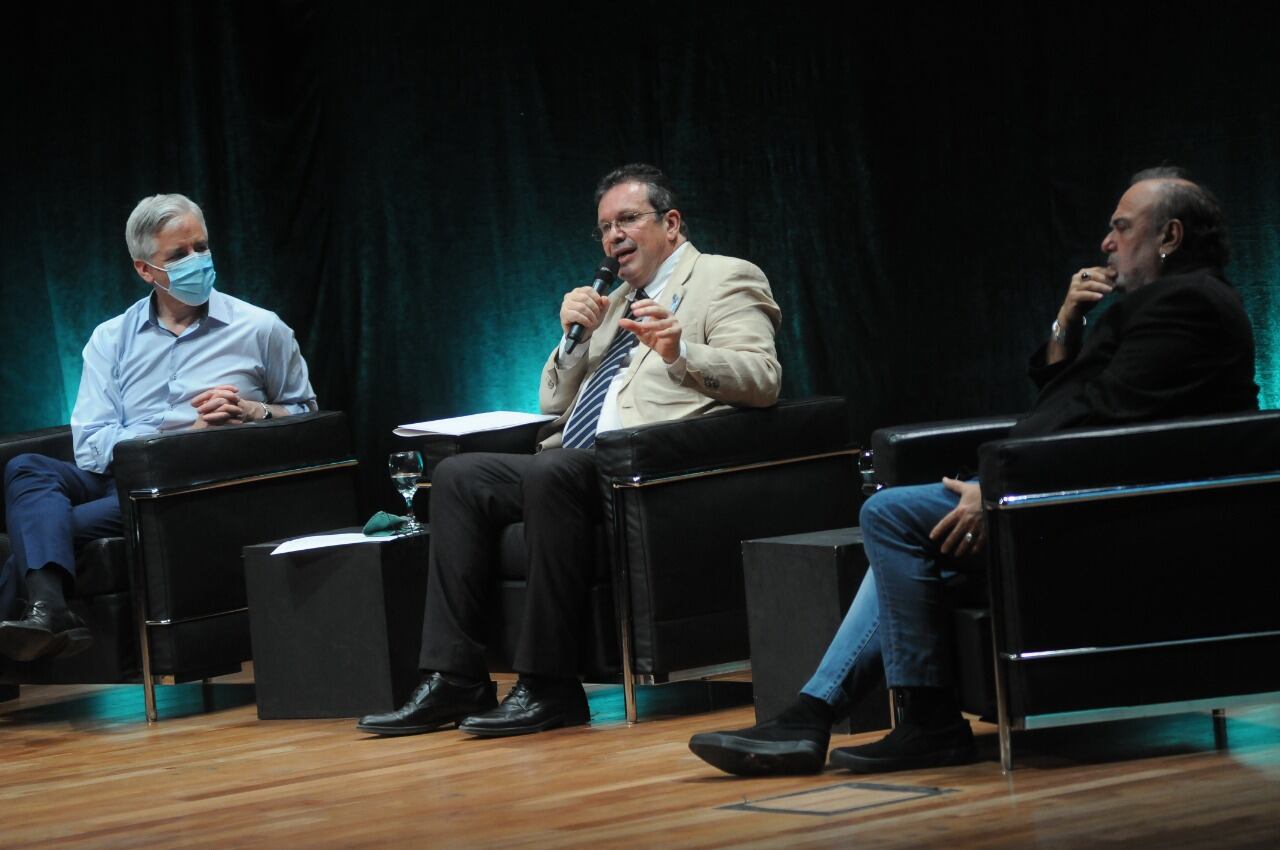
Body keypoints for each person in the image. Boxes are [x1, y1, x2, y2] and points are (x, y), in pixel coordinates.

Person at [689, 166, 1259, 776]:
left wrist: (996, 488)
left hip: (1096, 510)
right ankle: (812, 717)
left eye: (1121, 228)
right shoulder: (1159, 304)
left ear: (1168, 235)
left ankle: (920, 722)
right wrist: (1067, 323)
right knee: (905, 534)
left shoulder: (1187, 304)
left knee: (889, 513)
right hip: (1063, 487)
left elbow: (1105, 420)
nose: (1106, 242)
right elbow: (1063, 397)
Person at [357, 163, 781, 738]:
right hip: (573, 462)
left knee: (551, 471)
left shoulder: (725, 278)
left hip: (648, 469)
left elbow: (762, 378)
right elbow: (553, 400)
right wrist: (572, 338)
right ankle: (456, 678)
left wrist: (681, 352)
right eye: (605, 227)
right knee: (458, 476)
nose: (614, 238)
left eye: (628, 219)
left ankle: (550, 684)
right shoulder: (617, 300)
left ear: (672, 223)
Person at [0, 193, 317, 662]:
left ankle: (47, 606)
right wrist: (172, 437)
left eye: (202, 247)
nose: (198, 261)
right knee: (27, 467)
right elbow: (89, 444)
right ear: (145, 270)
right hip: (115, 471)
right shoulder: (111, 338)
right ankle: (50, 610)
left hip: (182, 482)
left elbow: (308, 414)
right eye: (179, 255)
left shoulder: (260, 329)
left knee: (46, 526)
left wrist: (254, 412)